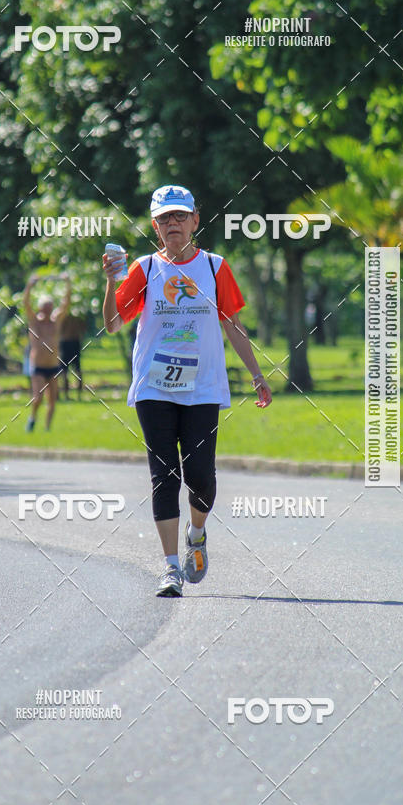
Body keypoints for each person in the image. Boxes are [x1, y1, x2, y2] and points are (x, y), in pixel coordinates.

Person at [102, 184, 272, 598]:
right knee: (164, 477)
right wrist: (111, 282)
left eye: (180, 216)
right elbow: (112, 325)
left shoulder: (214, 267)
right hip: (153, 388)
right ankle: (171, 568)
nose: (172, 224)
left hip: (203, 387)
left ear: (196, 220)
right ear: (155, 226)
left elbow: (233, 324)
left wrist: (256, 374)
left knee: (202, 477)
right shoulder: (143, 269)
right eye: (164, 218)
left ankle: (196, 534)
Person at [23, 273, 71, 432]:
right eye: (46, 306)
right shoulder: (35, 321)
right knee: (38, 398)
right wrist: (30, 285)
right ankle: (33, 418)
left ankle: (47, 428)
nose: (49, 309)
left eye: (50, 306)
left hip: (53, 366)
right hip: (38, 366)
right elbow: (26, 304)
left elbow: (66, 304)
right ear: (41, 307)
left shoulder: (55, 320)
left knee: (52, 401)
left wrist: (67, 284)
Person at [59, 313, 87, 400]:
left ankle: (77, 395)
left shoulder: (75, 315)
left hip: (72, 343)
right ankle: (68, 395)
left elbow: (84, 328)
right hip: (68, 343)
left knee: (74, 370)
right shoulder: (63, 316)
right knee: (66, 371)